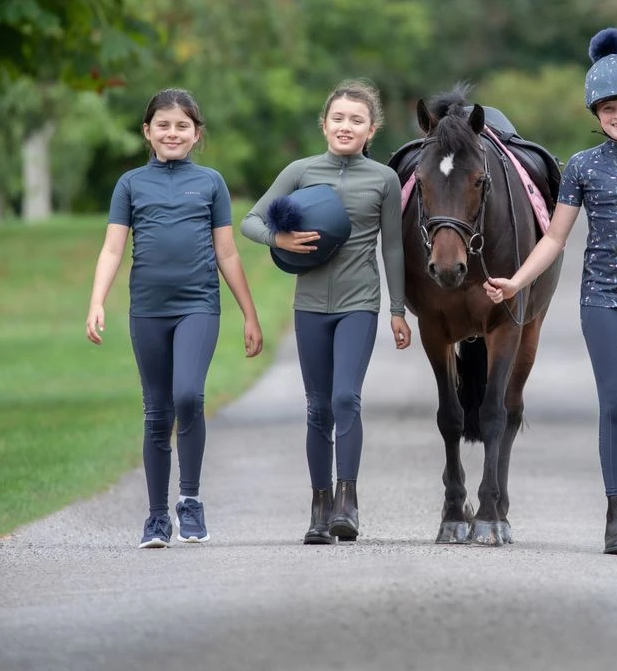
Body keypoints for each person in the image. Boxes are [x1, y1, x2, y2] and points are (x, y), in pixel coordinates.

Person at [484, 28, 617, 556]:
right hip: (601, 298)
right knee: (616, 405)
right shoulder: (582, 166)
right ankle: (616, 510)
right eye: (608, 109)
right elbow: (555, 237)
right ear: (596, 114)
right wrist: (516, 281)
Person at [85, 88, 263, 549]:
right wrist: (97, 301)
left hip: (197, 306)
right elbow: (112, 248)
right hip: (147, 310)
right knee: (157, 412)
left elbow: (227, 253)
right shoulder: (130, 184)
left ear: (196, 134)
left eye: (182, 125)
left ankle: (190, 500)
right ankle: (157, 517)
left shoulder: (211, 183)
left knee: (188, 396)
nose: (172, 133)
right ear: (147, 131)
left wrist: (250, 314)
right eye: (163, 125)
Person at [241, 79, 411, 545]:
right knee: (318, 407)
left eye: (356, 120)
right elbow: (251, 221)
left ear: (371, 129)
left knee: (344, 398)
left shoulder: (384, 179)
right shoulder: (300, 171)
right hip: (311, 304)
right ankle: (319, 505)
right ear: (324, 124)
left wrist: (398, 309)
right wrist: (279, 238)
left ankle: (346, 502)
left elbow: (393, 249)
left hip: (360, 303)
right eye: (338, 118)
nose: (345, 126)